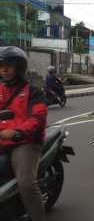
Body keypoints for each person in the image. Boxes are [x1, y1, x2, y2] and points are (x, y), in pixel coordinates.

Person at [0, 46, 48, 221]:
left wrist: (17, 132)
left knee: (27, 183)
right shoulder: (0, 90)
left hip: (25, 142)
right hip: (2, 140)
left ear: (19, 67)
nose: (4, 69)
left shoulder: (33, 91)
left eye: (9, 65)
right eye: (1, 65)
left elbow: (38, 118)